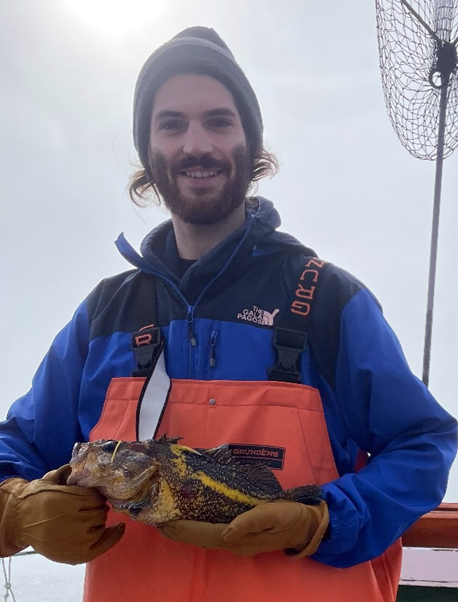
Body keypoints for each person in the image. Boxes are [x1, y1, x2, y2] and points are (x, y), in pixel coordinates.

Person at [0, 26, 456, 602]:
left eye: (219, 120)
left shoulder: (329, 301)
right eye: (172, 124)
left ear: (251, 144)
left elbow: (423, 442)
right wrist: (15, 511)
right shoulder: (103, 317)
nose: (197, 144)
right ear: (149, 152)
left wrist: (323, 519)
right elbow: (14, 448)